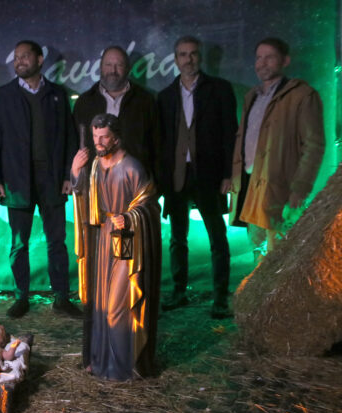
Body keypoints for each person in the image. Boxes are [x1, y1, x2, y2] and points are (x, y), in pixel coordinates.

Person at [0, 40, 80, 318]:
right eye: (16, 57)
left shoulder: (57, 94)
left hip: (52, 180)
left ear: (39, 60)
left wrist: (69, 175)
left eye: (25, 56)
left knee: (57, 242)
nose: (19, 61)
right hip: (16, 181)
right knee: (19, 244)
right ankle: (21, 297)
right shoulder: (3, 96)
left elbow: (69, 138)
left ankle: (61, 297)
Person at [71, 114, 161, 381]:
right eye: (95, 137)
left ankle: (124, 365)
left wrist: (130, 217)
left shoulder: (132, 168)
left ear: (117, 138)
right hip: (101, 242)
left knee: (117, 305)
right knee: (99, 305)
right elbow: (84, 197)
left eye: (104, 137)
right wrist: (76, 171)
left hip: (127, 244)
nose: (98, 143)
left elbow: (149, 205)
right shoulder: (95, 166)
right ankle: (101, 361)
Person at [157, 36, 237, 318]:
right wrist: (162, 181)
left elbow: (230, 134)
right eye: (183, 54)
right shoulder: (165, 96)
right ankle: (179, 292)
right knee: (178, 238)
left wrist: (228, 174)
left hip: (209, 175)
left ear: (200, 57)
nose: (188, 59)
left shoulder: (220, 89)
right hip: (177, 177)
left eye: (192, 54)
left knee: (218, 237)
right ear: (175, 59)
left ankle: (220, 297)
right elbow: (161, 142)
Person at [230, 37, 325, 260]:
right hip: (251, 186)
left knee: (281, 258)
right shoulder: (252, 97)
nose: (262, 63)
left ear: (285, 61)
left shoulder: (302, 95)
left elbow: (314, 145)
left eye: (269, 57)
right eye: (258, 58)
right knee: (258, 254)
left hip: (280, 189)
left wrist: (300, 188)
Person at [73, 45, 159, 177]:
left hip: (134, 180)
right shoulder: (84, 102)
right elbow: (74, 143)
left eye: (119, 65)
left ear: (127, 68)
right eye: (108, 64)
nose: (113, 70)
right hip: (94, 181)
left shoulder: (145, 101)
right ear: (100, 67)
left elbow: (157, 145)